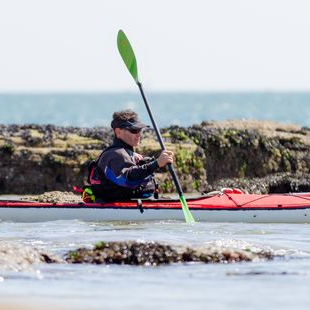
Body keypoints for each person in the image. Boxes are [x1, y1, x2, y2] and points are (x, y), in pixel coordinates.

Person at [85, 109, 174, 202]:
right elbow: (127, 180)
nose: (139, 134)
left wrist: (153, 163)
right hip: (120, 205)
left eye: (140, 130)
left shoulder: (130, 154)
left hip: (141, 200)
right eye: (134, 130)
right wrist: (156, 164)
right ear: (118, 132)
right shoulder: (115, 154)